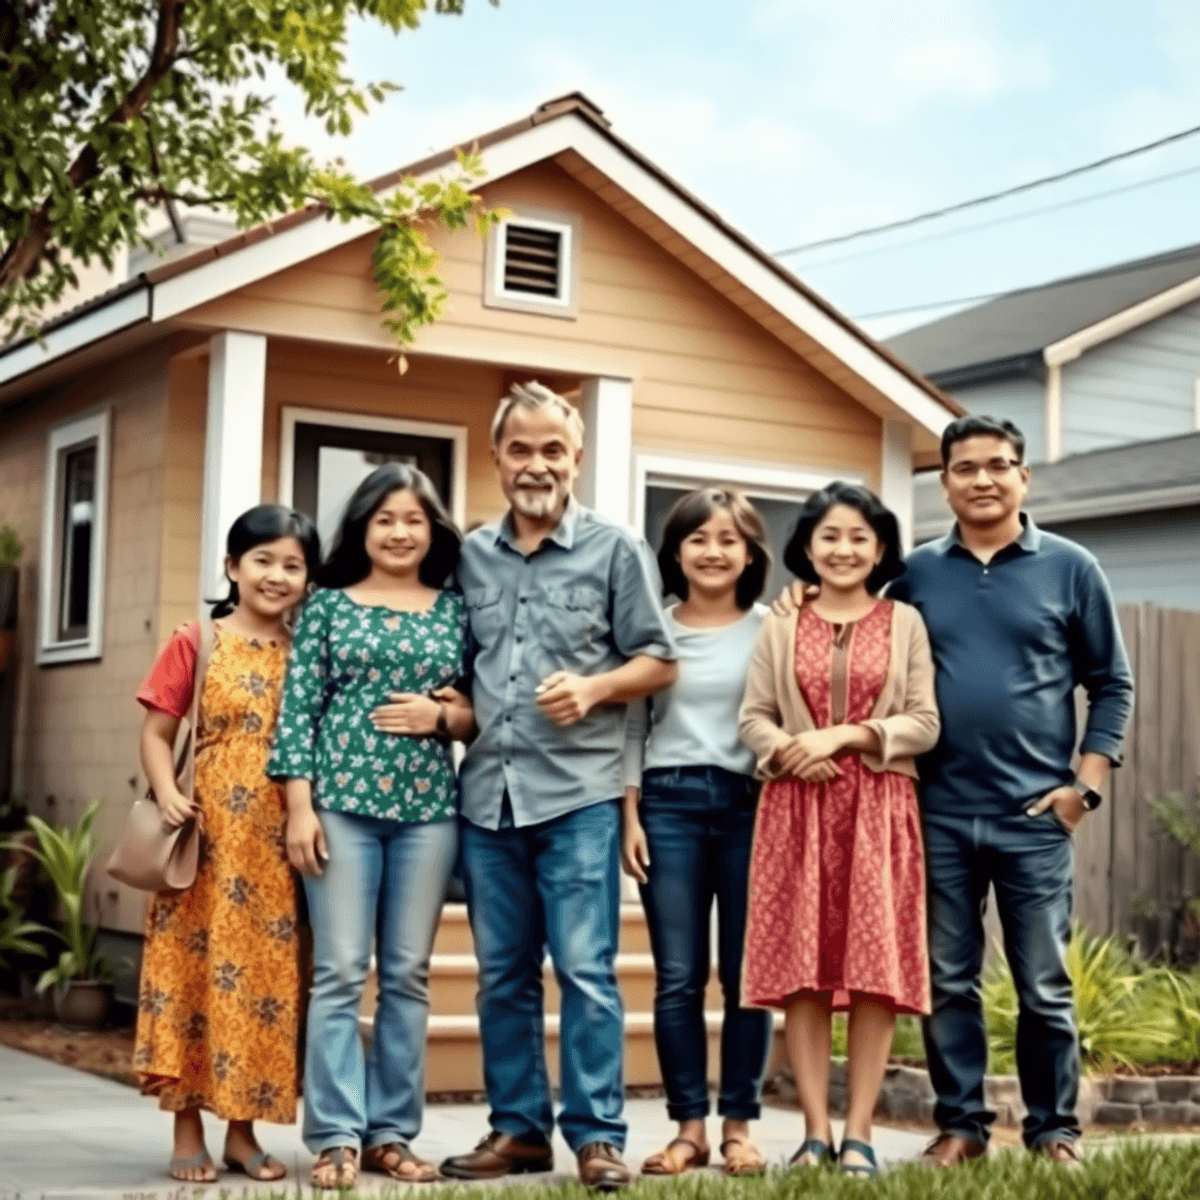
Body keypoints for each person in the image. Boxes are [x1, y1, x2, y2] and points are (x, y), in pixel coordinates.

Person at [439, 383, 677, 1192]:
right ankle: (518, 1131)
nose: (536, 463)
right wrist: (452, 709)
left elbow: (659, 659)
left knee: (584, 970)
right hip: (487, 800)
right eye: (520, 449)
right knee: (501, 974)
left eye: (553, 449)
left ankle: (599, 1136)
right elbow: (461, 668)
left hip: (577, 799)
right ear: (498, 456)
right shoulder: (469, 554)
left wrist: (597, 689)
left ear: (576, 459)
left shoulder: (615, 549)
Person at [886, 415, 1134, 1168]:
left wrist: (1083, 789)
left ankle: (1053, 1131)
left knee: (1044, 986)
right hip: (938, 812)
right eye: (966, 467)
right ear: (946, 481)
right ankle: (960, 1127)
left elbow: (1111, 684)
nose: (983, 479)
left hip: (1034, 818)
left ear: (1023, 477)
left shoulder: (1071, 567)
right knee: (948, 980)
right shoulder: (917, 574)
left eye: (998, 465)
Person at [269, 464, 474, 1191]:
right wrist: (299, 807)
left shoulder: (456, 609)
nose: (399, 532)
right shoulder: (326, 605)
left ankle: (390, 1134)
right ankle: (333, 1137)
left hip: (427, 814)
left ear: (432, 529)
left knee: (408, 977)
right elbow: (298, 712)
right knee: (340, 972)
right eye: (385, 519)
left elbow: (486, 711)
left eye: (414, 520)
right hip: (339, 811)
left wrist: (446, 718)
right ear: (362, 527)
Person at [741, 482, 939, 1179]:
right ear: (807, 547)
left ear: (880, 547)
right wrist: (789, 750)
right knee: (805, 976)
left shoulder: (905, 622)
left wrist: (843, 738)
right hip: (795, 811)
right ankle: (814, 1134)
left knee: (873, 975)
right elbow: (754, 717)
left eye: (859, 536)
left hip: (879, 813)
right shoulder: (781, 623)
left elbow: (924, 722)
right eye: (829, 536)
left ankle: (860, 1135)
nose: (844, 549)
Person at [134, 504, 321, 1184]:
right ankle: (189, 1128)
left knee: (264, 985)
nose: (277, 575)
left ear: (308, 578)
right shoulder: (197, 640)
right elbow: (158, 734)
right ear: (232, 567)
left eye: (293, 565)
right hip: (205, 844)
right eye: (263, 560)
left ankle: (242, 1133)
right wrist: (167, 793)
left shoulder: (308, 650)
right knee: (193, 977)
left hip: (278, 851)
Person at [621, 487, 774, 1178]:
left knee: (747, 978)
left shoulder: (773, 627)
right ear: (676, 552)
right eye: (698, 539)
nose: (713, 552)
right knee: (679, 976)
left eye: (728, 540)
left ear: (750, 554)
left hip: (752, 807)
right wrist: (629, 813)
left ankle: (739, 1126)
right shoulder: (654, 631)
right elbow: (631, 726)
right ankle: (689, 1129)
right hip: (668, 806)